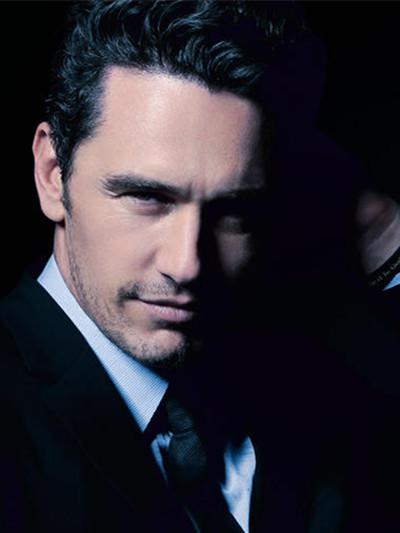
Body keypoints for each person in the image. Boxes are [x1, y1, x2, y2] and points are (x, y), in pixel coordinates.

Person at [0, 2, 368, 532]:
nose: (188, 264)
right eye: (147, 197)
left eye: (232, 211)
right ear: (53, 174)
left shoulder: (310, 388)